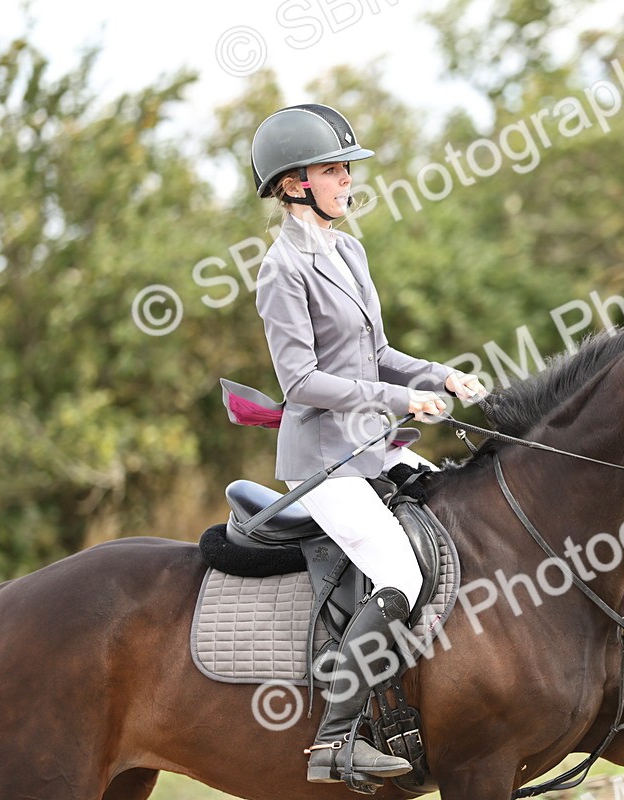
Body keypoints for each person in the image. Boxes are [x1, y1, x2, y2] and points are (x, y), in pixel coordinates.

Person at [241, 103, 485, 785]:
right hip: (324, 463)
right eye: (333, 169)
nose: (348, 179)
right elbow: (303, 383)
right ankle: (336, 741)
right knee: (400, 574)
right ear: (295, 186)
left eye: (346, 167)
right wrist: (399, 401)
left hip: (372, 448)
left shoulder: (349, 249)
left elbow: (376, 351)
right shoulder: (280, 272)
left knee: (458, 514)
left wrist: (441, 375)